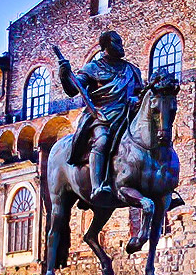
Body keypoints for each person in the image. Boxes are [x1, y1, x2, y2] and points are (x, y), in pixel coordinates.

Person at [54, 31, 144, 206]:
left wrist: (136, 100)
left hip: (127, 115)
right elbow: (73, 89)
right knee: (102, 141)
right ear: (106, 46)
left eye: (121, 42)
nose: (121, 46)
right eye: (117, 43)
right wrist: (64, 75)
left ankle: (161, 185)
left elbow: (141, 93)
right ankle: (97, 186)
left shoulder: (132, 70)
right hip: (101, 116)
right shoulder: (92, 68)